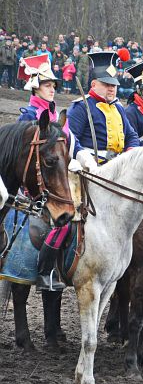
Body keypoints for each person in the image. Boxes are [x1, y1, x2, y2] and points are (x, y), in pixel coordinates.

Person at [16, 55, 67, 291]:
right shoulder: (28, 116)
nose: (52, 90)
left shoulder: (57, 117)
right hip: (35, 185)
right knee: (65, 222)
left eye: (54, 86)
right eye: (47, 85)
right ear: (35, 87)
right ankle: (46, 270)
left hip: (59, 176)